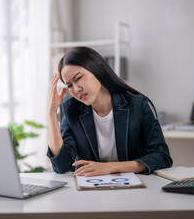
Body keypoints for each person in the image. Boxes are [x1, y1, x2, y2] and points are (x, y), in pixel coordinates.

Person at [47, 46, 172, 177]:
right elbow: (61, 166)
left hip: (134, 189)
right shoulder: (71, 110)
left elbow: (161, 157)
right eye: (70, 85)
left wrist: (110, 167)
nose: (77, 89)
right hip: (90, 191)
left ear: (96, 69)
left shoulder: (136, 104)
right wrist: (52, 113)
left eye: (78, 78)